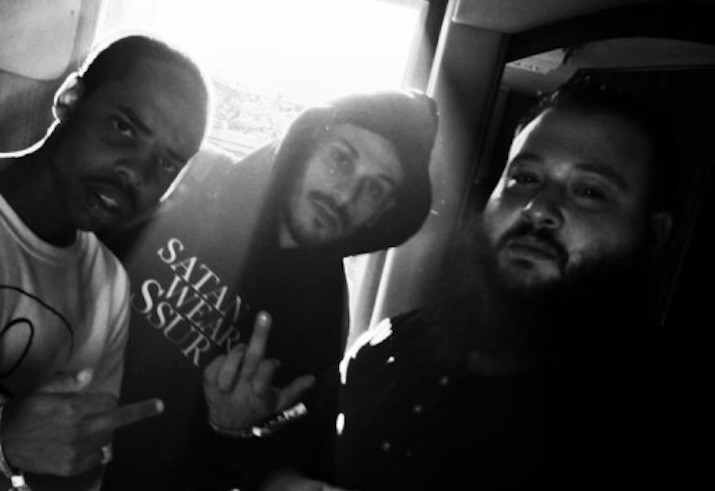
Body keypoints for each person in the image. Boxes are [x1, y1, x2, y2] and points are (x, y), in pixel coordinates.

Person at [205, 82, 674, 490]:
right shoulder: (391, 343)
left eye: (589, 191)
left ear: (652, 236)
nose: (538, 208)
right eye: (524, 178)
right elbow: (285, 439)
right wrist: (249, 441)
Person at [98, 89, 439, 490]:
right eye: (341, 159)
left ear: (382, 213)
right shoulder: (194, 181)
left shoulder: (322, 324)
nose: (345, 196)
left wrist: (233, 430)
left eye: (375, 189)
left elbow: (264, 467)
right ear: (306, 144)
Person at [0, 34, 210, 491]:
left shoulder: (108, 288)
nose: (137, 173)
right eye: (123, 127)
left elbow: (74, 467)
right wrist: (5, 444)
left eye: (168, 164)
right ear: (70, 99)